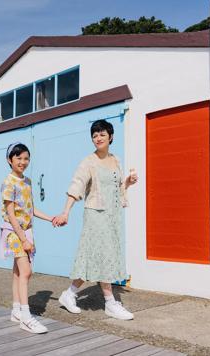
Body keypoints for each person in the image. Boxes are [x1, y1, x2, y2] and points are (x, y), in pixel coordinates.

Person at [53, 119, 138, 320]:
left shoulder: (116, 160)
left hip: (112, 215)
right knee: (98, 254)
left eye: (101, 134)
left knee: (98, 257)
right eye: (94, 135)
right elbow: (77, 185)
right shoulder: (89, 162)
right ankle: (110, 302)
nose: (98, 138)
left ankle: (69, 294)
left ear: (111, 136)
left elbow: (117, 188)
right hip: (95, 214)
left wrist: (128, 182)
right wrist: (66, 211)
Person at [0, 142, 55, 334]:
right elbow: (11, 214)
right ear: (10, 160)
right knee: (26, 271)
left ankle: (16, 310)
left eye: (26, 158)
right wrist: (23, 239)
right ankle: (26, 316)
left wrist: (51, 219)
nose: (23, 162)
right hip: (14, 232)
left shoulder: (28, 181)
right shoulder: (8, 182)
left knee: (17, 272)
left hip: (27, 231)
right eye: (18, 158)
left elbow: (30, 210)